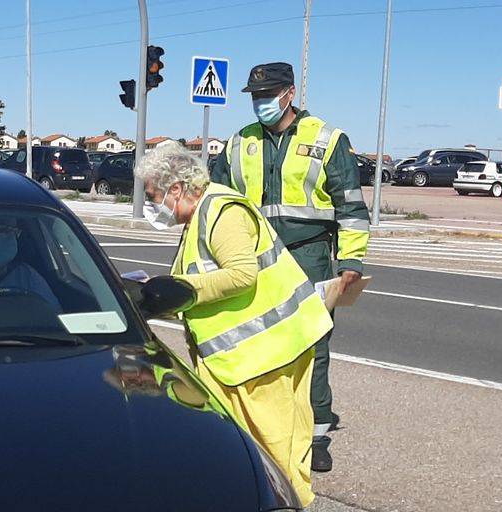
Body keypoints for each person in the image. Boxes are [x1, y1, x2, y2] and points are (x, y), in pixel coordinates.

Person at [135, 144, 333, 507]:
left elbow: (242, 275)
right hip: (255, 357)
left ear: (176, 189)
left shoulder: (222, 212)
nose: (151, 204)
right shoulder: (201, 216)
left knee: (274, 457)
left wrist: (180, 290)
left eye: (153, 195)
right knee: (265, 454)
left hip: (265, 358)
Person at [209, 62, 370, 472]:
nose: (261, 103)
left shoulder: (327, 140)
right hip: (254, 256)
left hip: (309, 254)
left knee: (312, 344)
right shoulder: (239, 142)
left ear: (290, 93)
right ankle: (258, 427)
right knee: (252, 341)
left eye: (269, 95)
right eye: (255, 97)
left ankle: (315, 435)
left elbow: (351, 208)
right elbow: (217, 203)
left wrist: (350, 261)